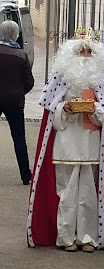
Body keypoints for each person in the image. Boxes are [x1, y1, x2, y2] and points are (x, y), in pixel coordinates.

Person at [26, 27, 104, 252]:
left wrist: (94, 108)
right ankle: (66, 237)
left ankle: (87, 238)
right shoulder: (61, 77)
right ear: (71, 55)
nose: (85, 56)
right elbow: (53, 112)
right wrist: (65, 108)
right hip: (66, 144)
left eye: (89, 52)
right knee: (66, 193)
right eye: (81, 52)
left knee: (88, 192)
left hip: (90, 144)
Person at [0, 20, 34, 185]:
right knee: (19, 137)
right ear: (16, 34)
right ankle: (25, 175)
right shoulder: (21, 55)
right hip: (15, 101)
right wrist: (19, 92)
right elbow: (29, 82)